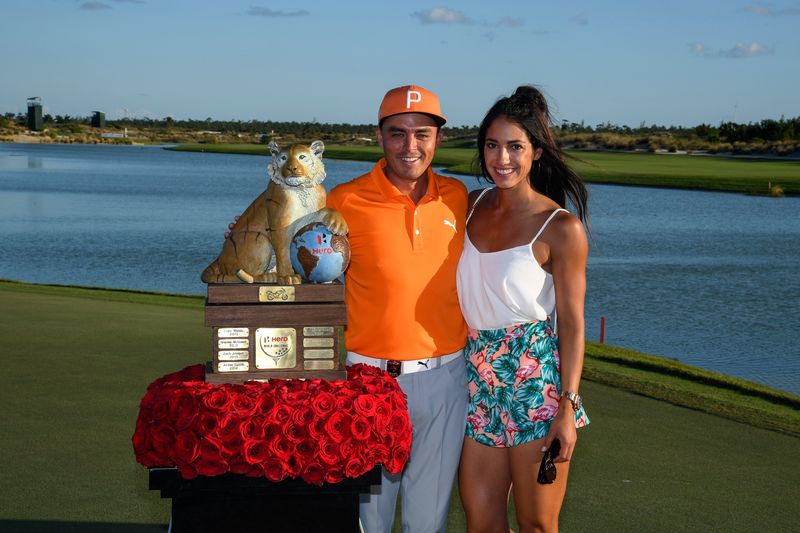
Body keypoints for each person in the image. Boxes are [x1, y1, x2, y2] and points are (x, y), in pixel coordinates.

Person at [327, 85, 469, 533]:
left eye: (422, 133)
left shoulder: (459, 197)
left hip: (445, 379)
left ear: (438, 138)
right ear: (379, 136)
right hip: (368, 381)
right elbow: (298, 252)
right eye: (397, 133)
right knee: (367, 522)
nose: (411, 145)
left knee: (428, 524)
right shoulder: (343, 200)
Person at [456, 86, 590, 533]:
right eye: (492, 145)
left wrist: (567, 407)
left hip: (534, 384)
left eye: (515, 146)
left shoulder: (561, 229)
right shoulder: (469, 205)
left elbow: (572, 324)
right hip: (477, 379)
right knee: (481, 522)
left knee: (536, 524)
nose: (502, 158)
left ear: (536, 152)